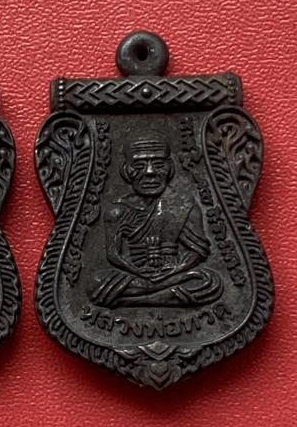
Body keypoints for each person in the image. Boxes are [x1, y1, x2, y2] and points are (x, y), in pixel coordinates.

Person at [90, 131, 222, 308]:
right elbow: (113, 255)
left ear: (170, 168)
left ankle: (135, 301)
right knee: (95, 282)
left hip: (172, 274)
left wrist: (171, 272)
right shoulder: (117, 211)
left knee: (209, 280)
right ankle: (163, 297)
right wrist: (140, 272)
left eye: (158, 164)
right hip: (136, 275)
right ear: (126, 170)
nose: (150, 172)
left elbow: (198, 252)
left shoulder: (183, 205)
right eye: (139, 165)